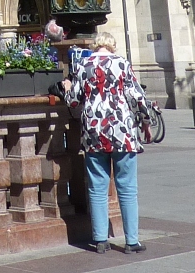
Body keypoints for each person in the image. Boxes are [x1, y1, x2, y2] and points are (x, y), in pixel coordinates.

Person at [62, 32, 151, 255]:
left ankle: (100, 239)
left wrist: (66, 88)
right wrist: (145, 123)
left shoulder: (84, 64)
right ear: (112, 46)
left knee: (97, 186)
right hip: (122, 131)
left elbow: (73, 100)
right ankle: (132, 241)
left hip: (94, 130)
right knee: (127, 187)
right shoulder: (122, 63)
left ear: (96, 46)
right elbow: (137, 97)